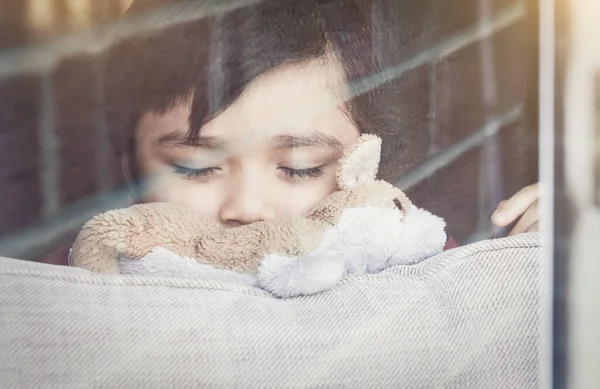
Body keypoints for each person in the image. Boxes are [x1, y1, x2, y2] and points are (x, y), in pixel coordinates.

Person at [43, 0, 538, 266]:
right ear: (129, 162)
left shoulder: (411, 263)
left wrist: (551, 258)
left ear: (366, 163)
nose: (247, 210)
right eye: (194, 167)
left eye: (299, 169)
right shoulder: (75, 282)